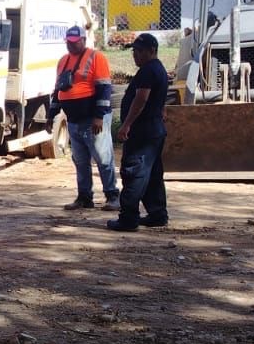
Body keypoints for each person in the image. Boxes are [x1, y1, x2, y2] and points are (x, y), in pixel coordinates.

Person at [107, 33, 170, 232]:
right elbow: (158, 98)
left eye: (140, 51)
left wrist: (126, 124)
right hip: (154, 130)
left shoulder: (148, 71)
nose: (135, 55)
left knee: (134, 173)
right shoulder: (158, 69)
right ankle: (157, 214)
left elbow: (141, 98)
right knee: (152, 175)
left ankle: (128, 218)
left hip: (143, 132)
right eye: (134, 51)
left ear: (152, 51)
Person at [53, 25, 118, 211]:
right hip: (74, 119)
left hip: (92, 119)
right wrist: (52, 113)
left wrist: (99, 116)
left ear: (83, 40)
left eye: (75, 42)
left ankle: (112, 196)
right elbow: (58, 89)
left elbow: (104, 88)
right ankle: (84, 197)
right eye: (68, 42)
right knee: (80, 160)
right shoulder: (63, 61)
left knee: (103, 158)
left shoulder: (96, 57)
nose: (71, 45)